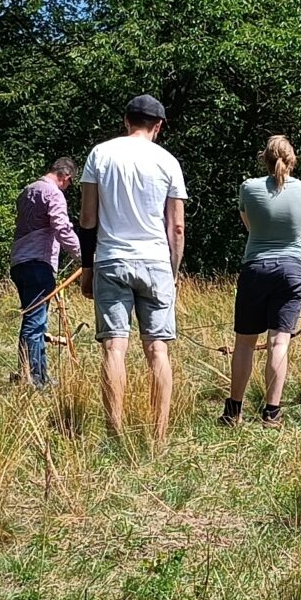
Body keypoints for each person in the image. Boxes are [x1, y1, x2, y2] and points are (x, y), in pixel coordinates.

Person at [78, 95, 188, 447]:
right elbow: (177, 228)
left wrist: (86, 265)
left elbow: (87, 219)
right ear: (158, 126)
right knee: (158, 350)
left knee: (114, 348)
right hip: (156, 261)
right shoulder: (168, 162)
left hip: (111, 258)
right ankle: (158, 435)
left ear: (126, 120)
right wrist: (173, 272)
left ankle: (115, 431)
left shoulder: (100, 154)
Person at [224, 135, 301, 427]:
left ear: (264, 158)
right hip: (291, 269)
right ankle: (271, 412)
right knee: (279, 342)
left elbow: (250, 227)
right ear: (293, 160)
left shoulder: (248, 188)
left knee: (245, 343)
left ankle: (233, 410)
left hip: (256, 267)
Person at [9, 156, 82, 388]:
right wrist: (83, 256)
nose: (67, 187)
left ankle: (33, 374)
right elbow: (62, 228)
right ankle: (35, 379)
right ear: (65, 177)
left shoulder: (27, 190)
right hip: (38, 263)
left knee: (32, 318)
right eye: (69, 183)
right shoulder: (53, 194)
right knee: (36, 322)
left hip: (19, 262)